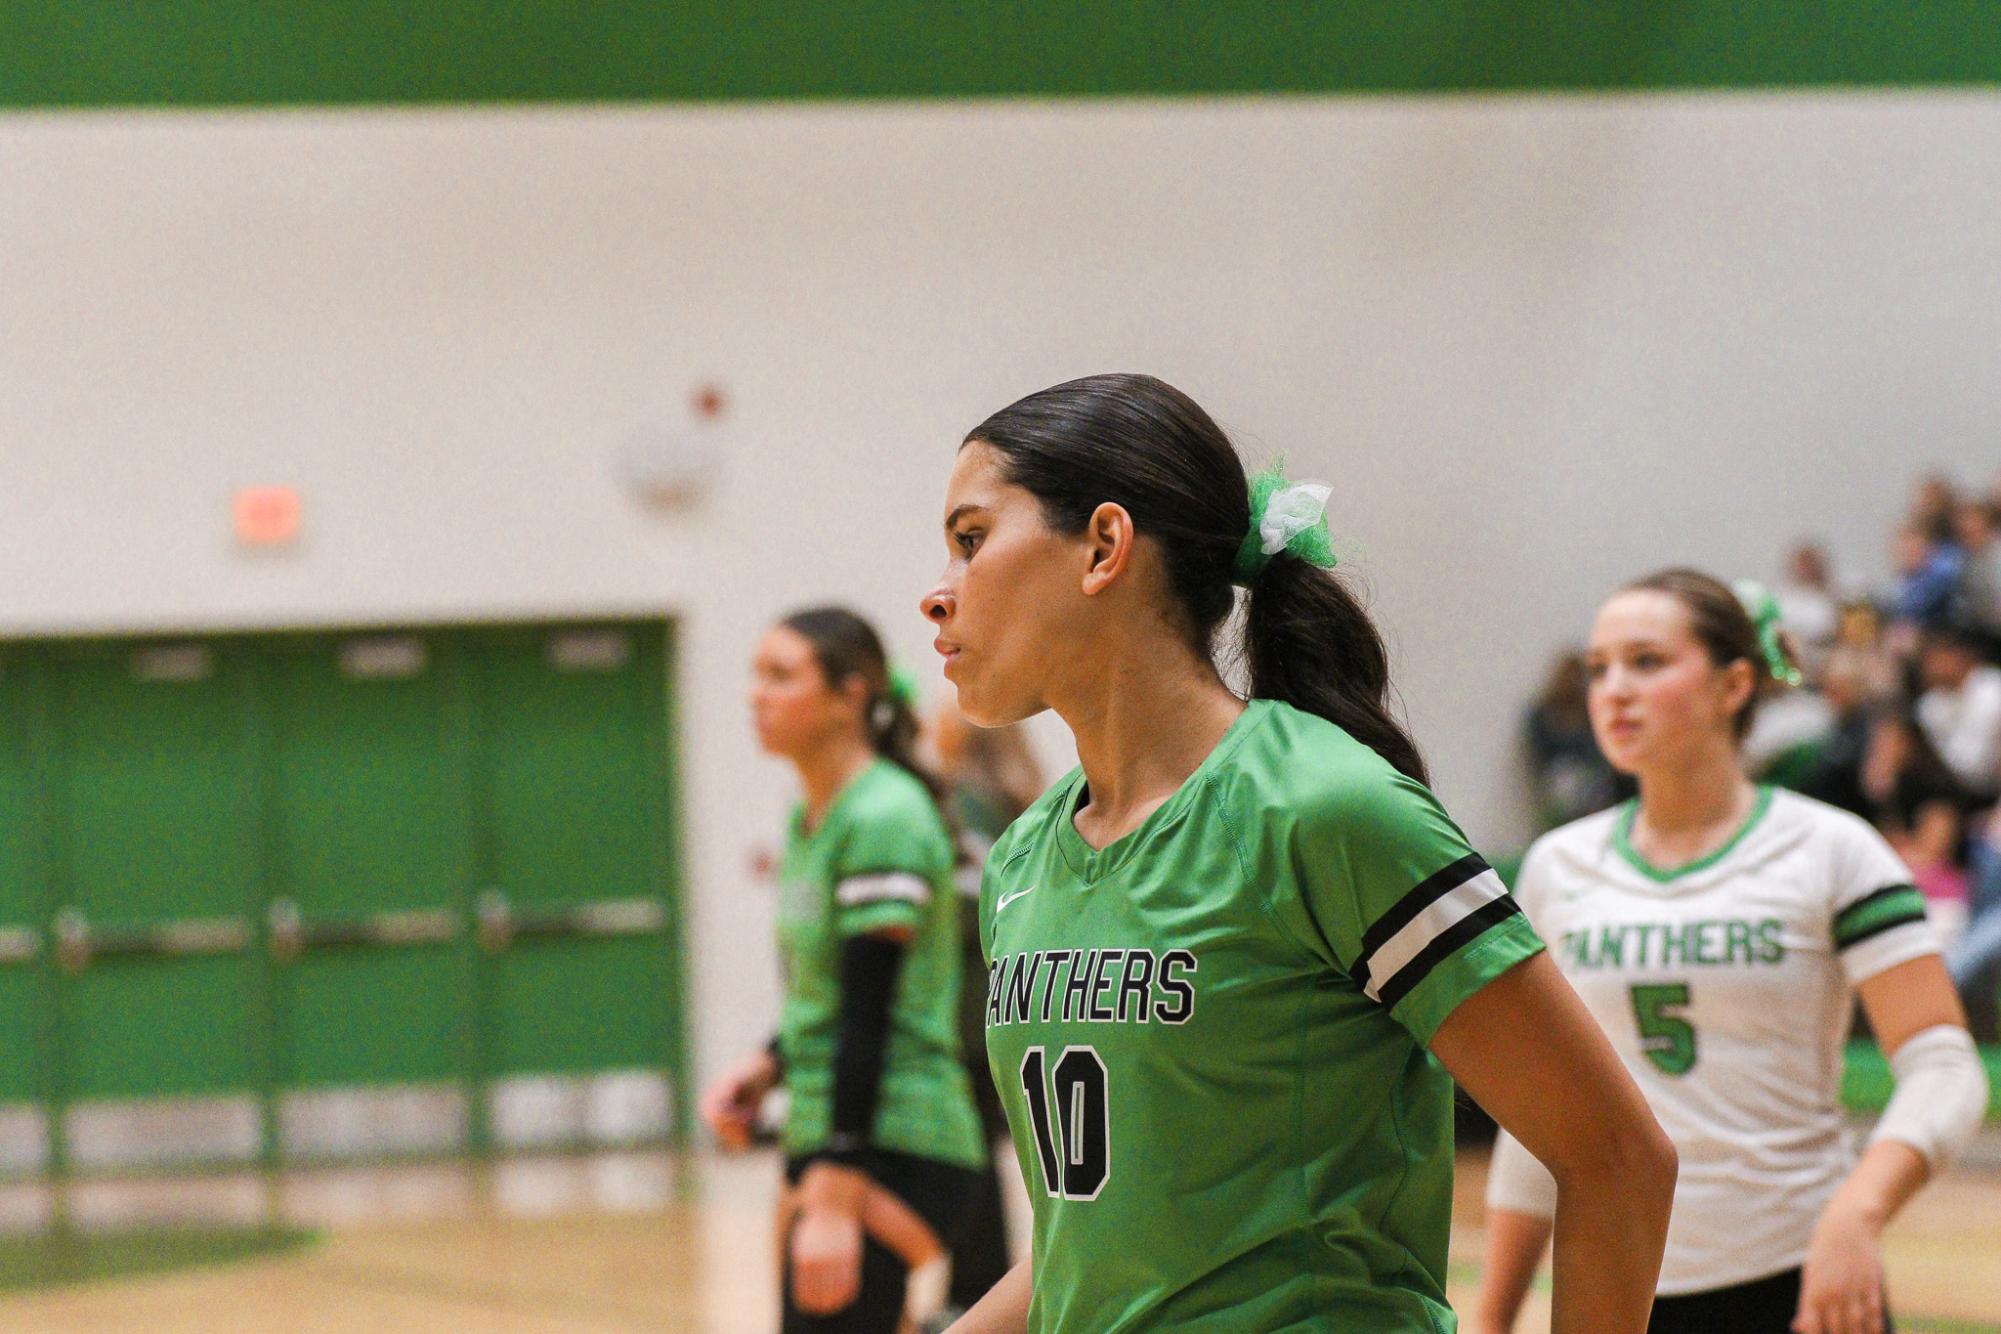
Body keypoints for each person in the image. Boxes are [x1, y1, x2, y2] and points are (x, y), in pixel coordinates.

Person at [925, 373, 1676, 1333]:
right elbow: (1094, 1244)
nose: (937, 593)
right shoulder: (1023, 856)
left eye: (971, 539)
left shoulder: (1323, 808)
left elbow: (1616, 1159)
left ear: (1104, 547)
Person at [1475, 570, 1988, 1334]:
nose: (1613, 689)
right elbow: (1545, 1118)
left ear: (1734, 684)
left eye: (1646, 662)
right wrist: (1492, 1315)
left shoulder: (1831, 848)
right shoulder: (1557, 865)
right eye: (1598, 667)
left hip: (1796, 1278)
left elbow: (1943, 1064)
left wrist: (1857, 1212)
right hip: (1612, 1289)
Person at [701, 608, 988, 1332]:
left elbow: (872, 1009)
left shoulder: (884, 815)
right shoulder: (809, 816)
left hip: (897, 1141)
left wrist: (835, 1183)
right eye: (754, 674)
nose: (753, 694)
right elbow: (824, 993)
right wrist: (766, 1067)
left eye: (780, 675)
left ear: (850, 694)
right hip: (835, 1138)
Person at [926, 697, 1047, 1316]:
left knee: (974, 1151)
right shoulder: (1024, 797)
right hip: (1014, 998)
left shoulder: (966, 803)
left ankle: (974, 1286)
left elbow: (968, 900)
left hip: (973, 1005)